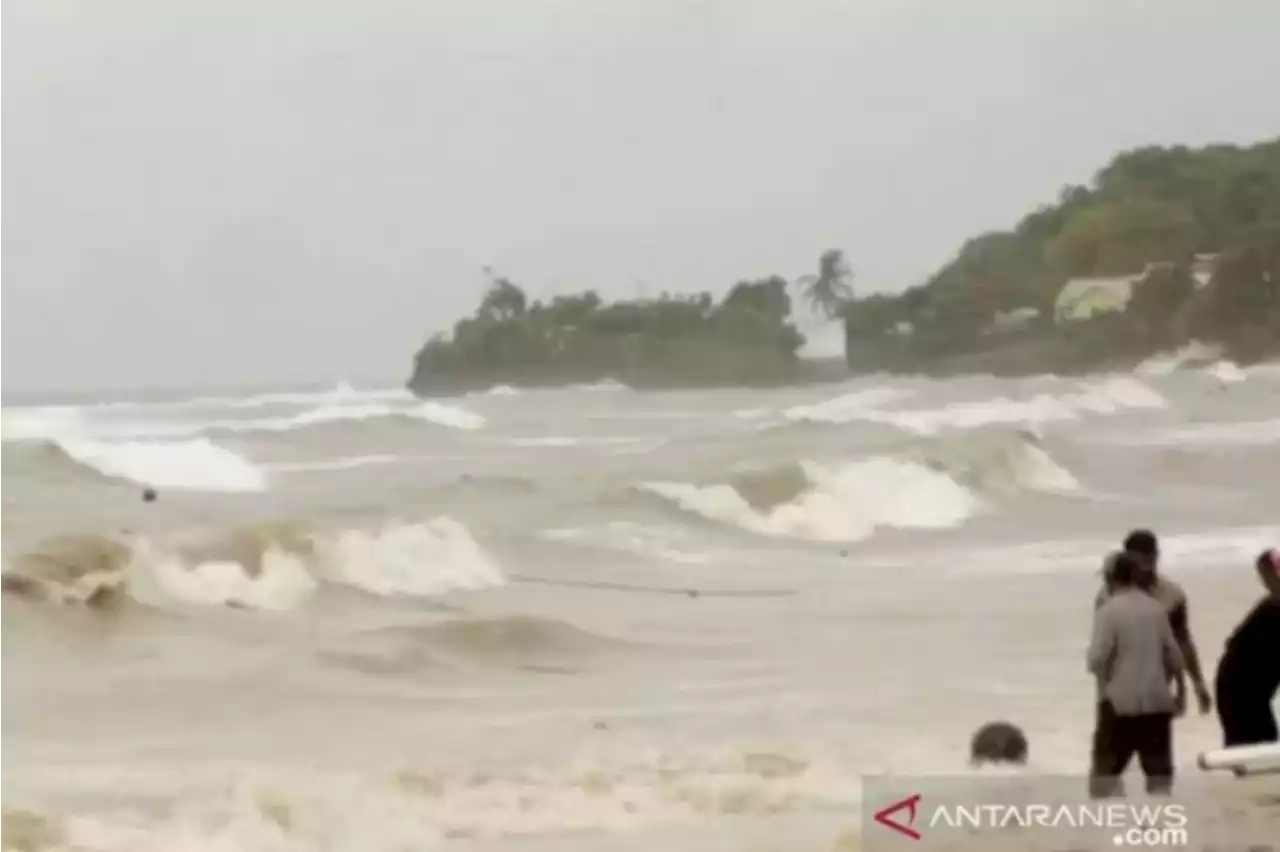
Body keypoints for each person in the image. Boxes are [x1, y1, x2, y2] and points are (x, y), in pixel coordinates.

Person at [1088, 551, 1183, 798]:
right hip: (1157, 704)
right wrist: (1180, 694)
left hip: (1119, 705)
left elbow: (1097, 659)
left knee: (1105, 780)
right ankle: (1160, 829)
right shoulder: (1156, 609)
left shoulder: (1108, 612)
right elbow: (1174, 656)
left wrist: (1102, 678)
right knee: (1159, 779)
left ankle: (1112, 829)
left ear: (1110, 578)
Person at [1095, 529, 1211, 717]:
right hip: (1117, 695)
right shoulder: (1107, 597)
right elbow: (1102, 651)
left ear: (1157, 557)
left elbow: (1182, 643)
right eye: (1140, 563)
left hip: (1157, 693)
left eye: (1150, 561)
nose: (1146, 569)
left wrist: (1196, 684)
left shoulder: (1172, 595)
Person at [1214, 549, 1280, 747]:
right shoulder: (1272, 607)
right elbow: (1233, 645)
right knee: (1250, 744)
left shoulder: (1271, 605)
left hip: (1255, 692)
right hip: (1237, 690)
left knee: (1265, 740)